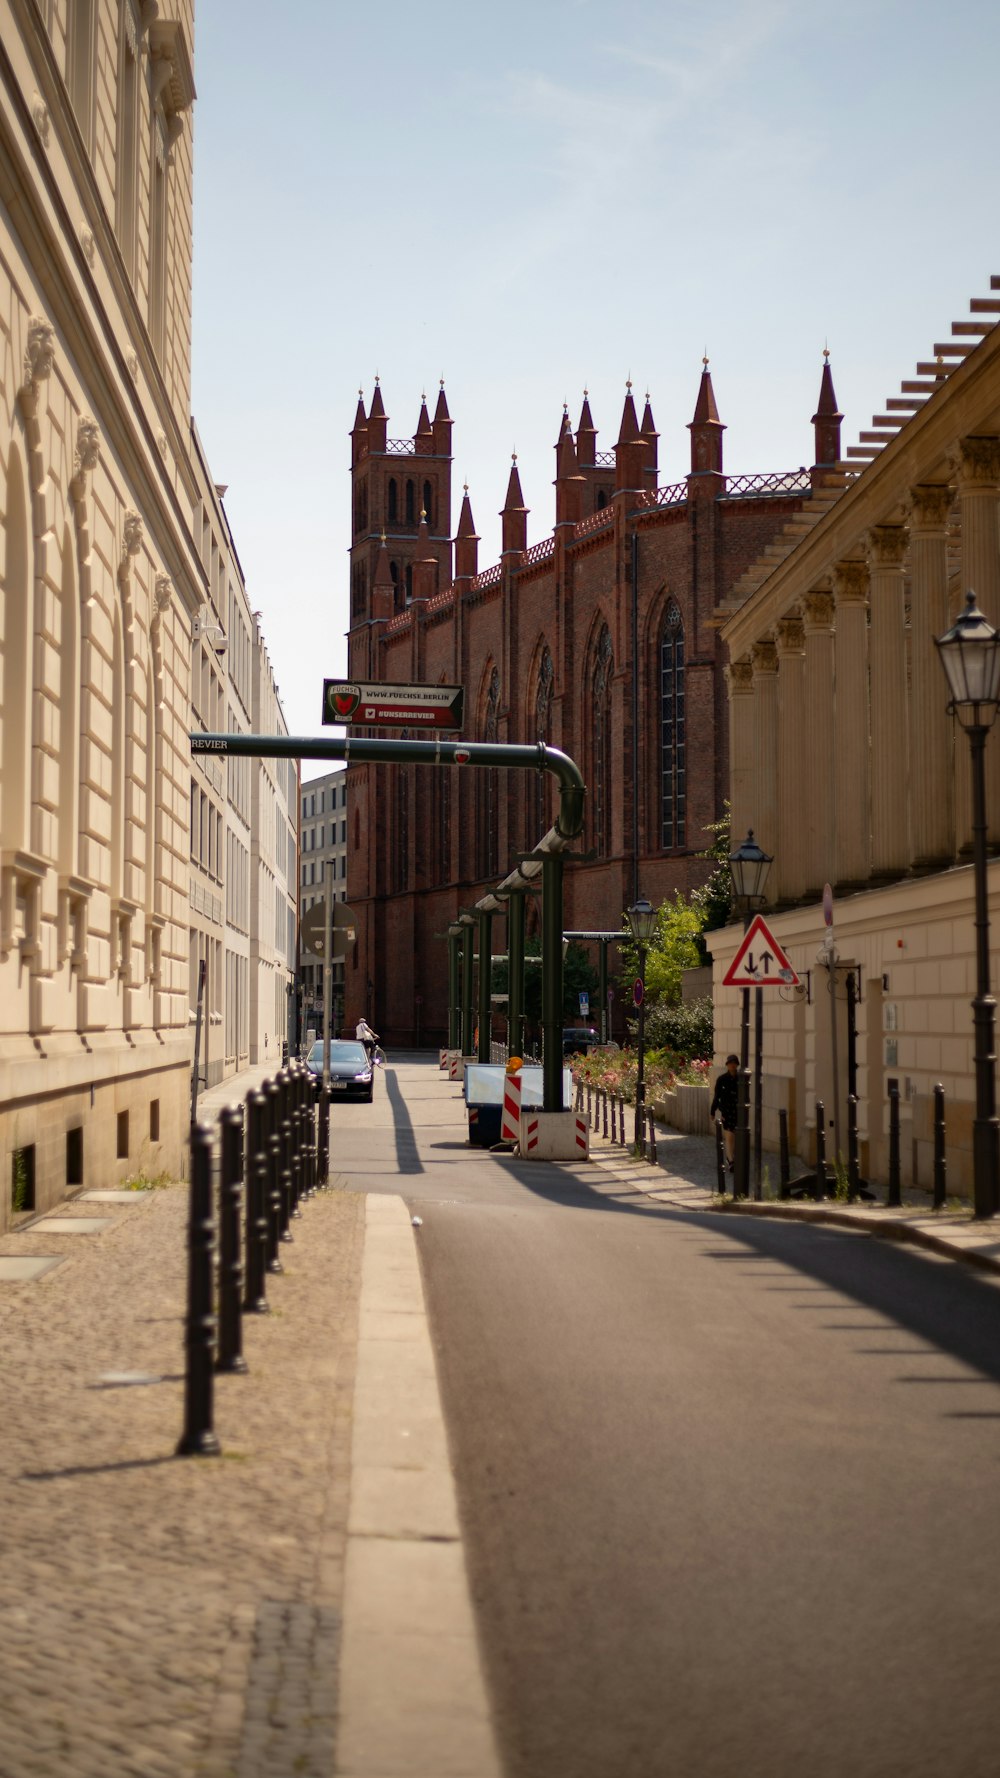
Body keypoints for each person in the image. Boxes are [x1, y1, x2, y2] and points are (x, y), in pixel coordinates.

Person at [710, 1054, 740, 1171]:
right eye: (730, 1063)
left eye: (734, 1063)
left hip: (738, 1111)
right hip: (726, 1112)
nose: (732, 1065)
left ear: (737, 1065)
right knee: (729, 1136)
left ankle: (733, 1157)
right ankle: (731, 1160)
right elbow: (717, 1096)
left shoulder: (741, 1078)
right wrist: (712, 1111)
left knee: (736, 1136)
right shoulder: (722, 1079)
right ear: (727, 1065)